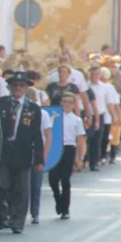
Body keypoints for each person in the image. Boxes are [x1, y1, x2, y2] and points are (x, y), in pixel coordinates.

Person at [0, 71, 44, 234]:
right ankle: (3, 214)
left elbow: (37, 134)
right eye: (14, 85)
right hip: (4, 152)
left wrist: (39, 159)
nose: (18, 88)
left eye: (21, 86)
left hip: (23, 152)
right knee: (1, 186)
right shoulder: (0, 104)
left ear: (26, 88)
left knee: (21, 189)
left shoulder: (33, 109)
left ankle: (18, 221)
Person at [48, 91, 86, 219]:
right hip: (54, 148)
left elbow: (80, 140)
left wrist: (80, 158)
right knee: (53, 179)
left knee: (65, 180)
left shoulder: (77, 120)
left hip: (68, 149)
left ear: (74, 104)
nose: (67, 104)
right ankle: (57, 197)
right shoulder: (54, 116)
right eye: (65, 102)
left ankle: (65, 208)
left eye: (70, 102)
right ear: (60, 103)